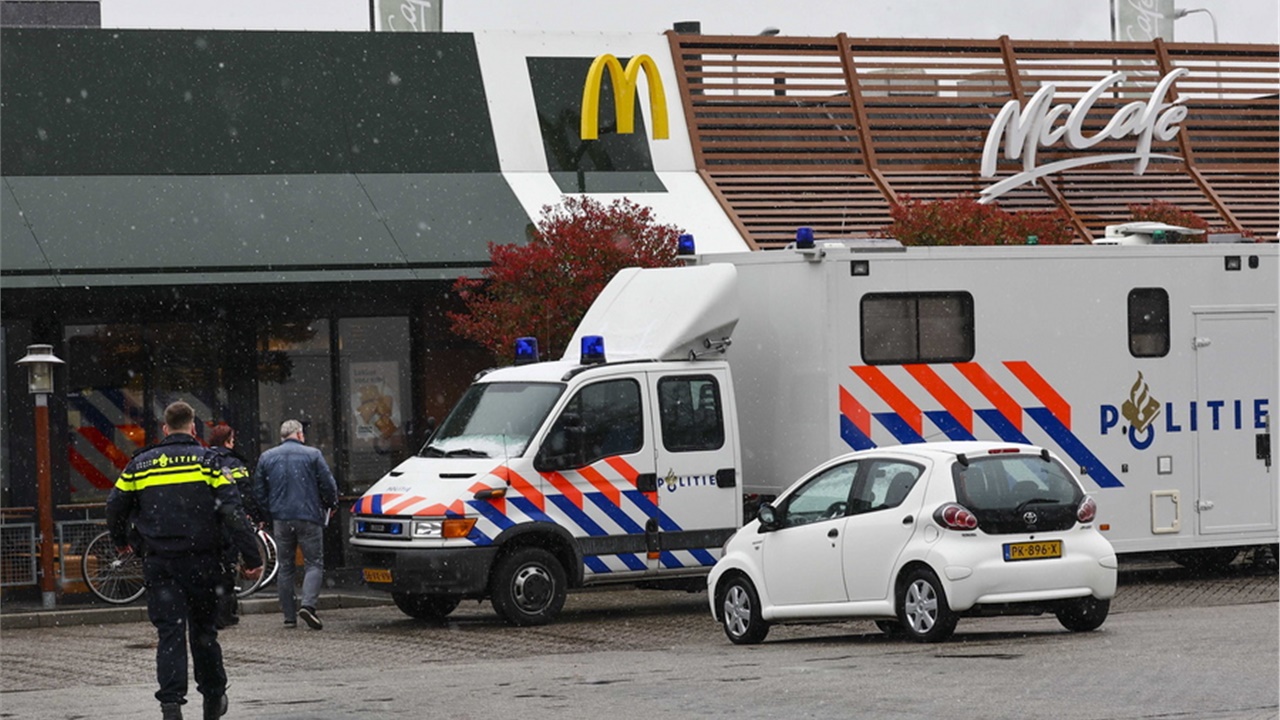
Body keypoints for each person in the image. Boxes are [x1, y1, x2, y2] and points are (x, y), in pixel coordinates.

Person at [106, 401, 262, 720]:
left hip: (161, 563)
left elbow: (115, 505)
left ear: (165, 428)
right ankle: (213, 697)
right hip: (204, 562)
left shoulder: (141, 465)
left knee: (170, 634)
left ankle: (171, 704)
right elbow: (232, 512)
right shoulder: (210, 462)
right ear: (193, 428)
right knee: (204, 633)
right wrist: (251, 556)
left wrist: (121, 541)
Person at [254, 419, 338, 630]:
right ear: (300, 435)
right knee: (314, 563)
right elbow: (328, 484)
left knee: (285, 567)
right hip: (308, 516)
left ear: (282, 436)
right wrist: (330, 504)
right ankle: (308, 606)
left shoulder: (267, 457)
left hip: (281, 518)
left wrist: (268, 512)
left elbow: (259, 491)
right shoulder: (313, 455)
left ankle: (289, 617)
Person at [206, 423, 266, 629]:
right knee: (228, 566)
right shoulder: (234, 463)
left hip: (206, 523)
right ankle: (225, 614)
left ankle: (213, 612)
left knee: (212, 569)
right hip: (228, 522)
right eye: (233, 439)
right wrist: (257, 516)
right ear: (228, 441)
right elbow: (246, 494)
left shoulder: (205, 459)